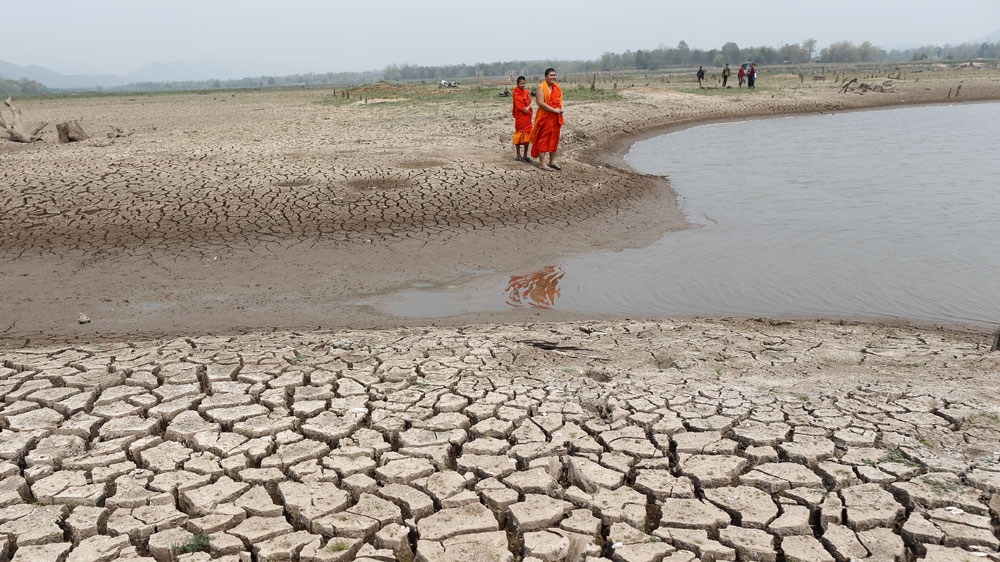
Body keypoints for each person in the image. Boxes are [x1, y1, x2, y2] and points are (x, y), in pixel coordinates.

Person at [530, 68, 564, 171]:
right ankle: (542, 163)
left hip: (556, 117)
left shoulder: (556, 88)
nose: (553, 77)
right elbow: (540, 103)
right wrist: (554, 110)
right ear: (546, 77)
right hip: (545, 117)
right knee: (543, 139)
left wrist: (561, 108)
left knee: (554, 139)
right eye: (551, 75)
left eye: (554, 75)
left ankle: (552, 161)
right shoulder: (541, 88)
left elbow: (559, 101)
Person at [511, 76, 533, 163]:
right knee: (519, 134)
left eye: (524, 83)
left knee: (527, 134)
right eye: (521, 83)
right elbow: (518, 104)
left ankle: (525, 155)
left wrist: (528, 107)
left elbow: (529, 102)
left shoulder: (525, 92)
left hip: (527, 117)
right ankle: (518, 155)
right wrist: (525, 109)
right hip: (520, 116)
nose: (523, 85)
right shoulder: (516, 92)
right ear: (517, 84)